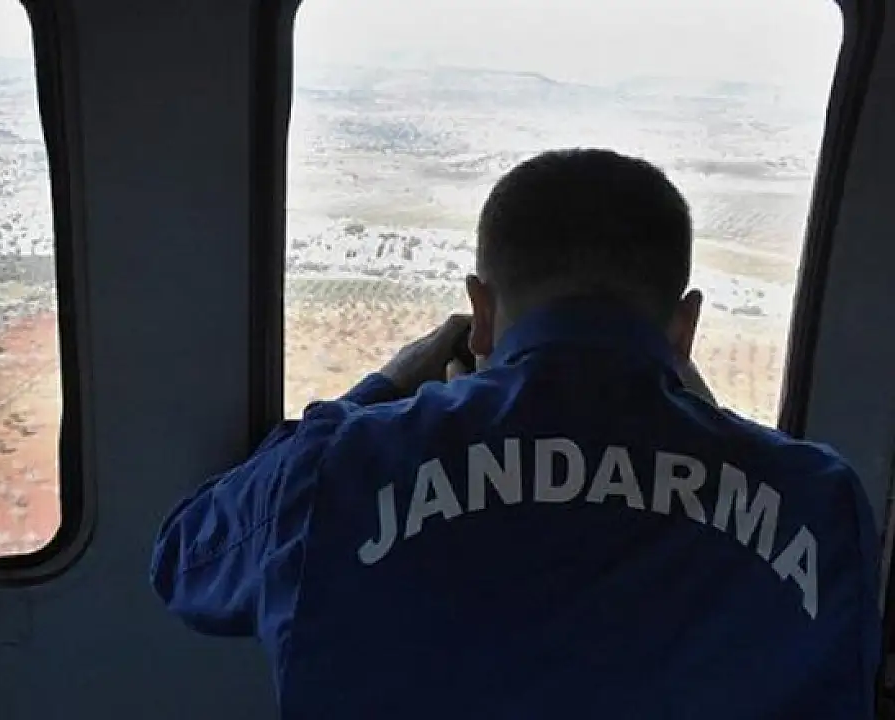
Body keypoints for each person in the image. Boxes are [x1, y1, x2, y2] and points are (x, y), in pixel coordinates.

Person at [148, 148, 881, 719]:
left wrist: (385, 387)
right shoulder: (820, 503)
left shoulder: (339, 468)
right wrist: (708, 419)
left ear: (481, 311)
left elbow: (185, 561)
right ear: (685, 325)